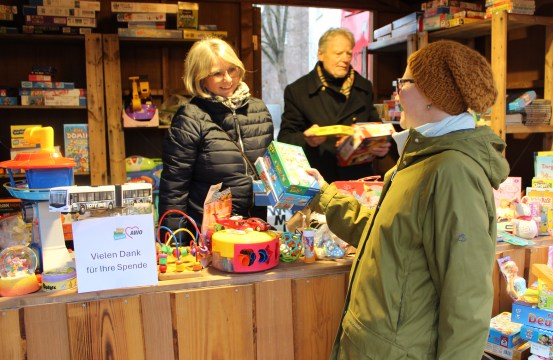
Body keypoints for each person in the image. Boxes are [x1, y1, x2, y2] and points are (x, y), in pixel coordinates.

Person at [306, 40, 510, 359]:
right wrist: (325, 194)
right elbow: (385, 239)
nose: (397, 93)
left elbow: (466, 300)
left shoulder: (452, 171)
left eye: (404, 82)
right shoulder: (420, 159)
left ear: (431, 95)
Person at [158, 38, 273, 239]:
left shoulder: (259, 110)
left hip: (253, 229)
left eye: (232, 70)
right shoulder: (190, 117)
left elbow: (270, 168)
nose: (228, 79)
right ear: (200, 77)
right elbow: (174, 187)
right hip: (209, 233)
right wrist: (173, 240)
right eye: (217, 73)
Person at [278, 28, 391, 183]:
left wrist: (381, 146)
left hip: (357, 180)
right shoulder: (298, 91)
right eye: (338, 53)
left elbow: (375, 126)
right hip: (318, 179)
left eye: (349, 53)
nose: (345, 59)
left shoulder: (364, 87)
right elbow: (285, 139)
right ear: (321, 54)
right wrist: (307, 140)